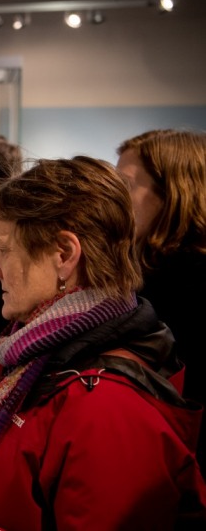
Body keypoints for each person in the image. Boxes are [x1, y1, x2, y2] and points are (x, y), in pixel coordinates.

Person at [0, 156, 206, 530]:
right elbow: (29, 472)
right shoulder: (37, 349)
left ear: (64, 254)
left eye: (3, 248)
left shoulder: (109, 407)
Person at [116, 128, 206, 474]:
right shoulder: (145, 274)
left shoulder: (188, 288)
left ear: (174, 193)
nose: (114, 200)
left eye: (125, 186)